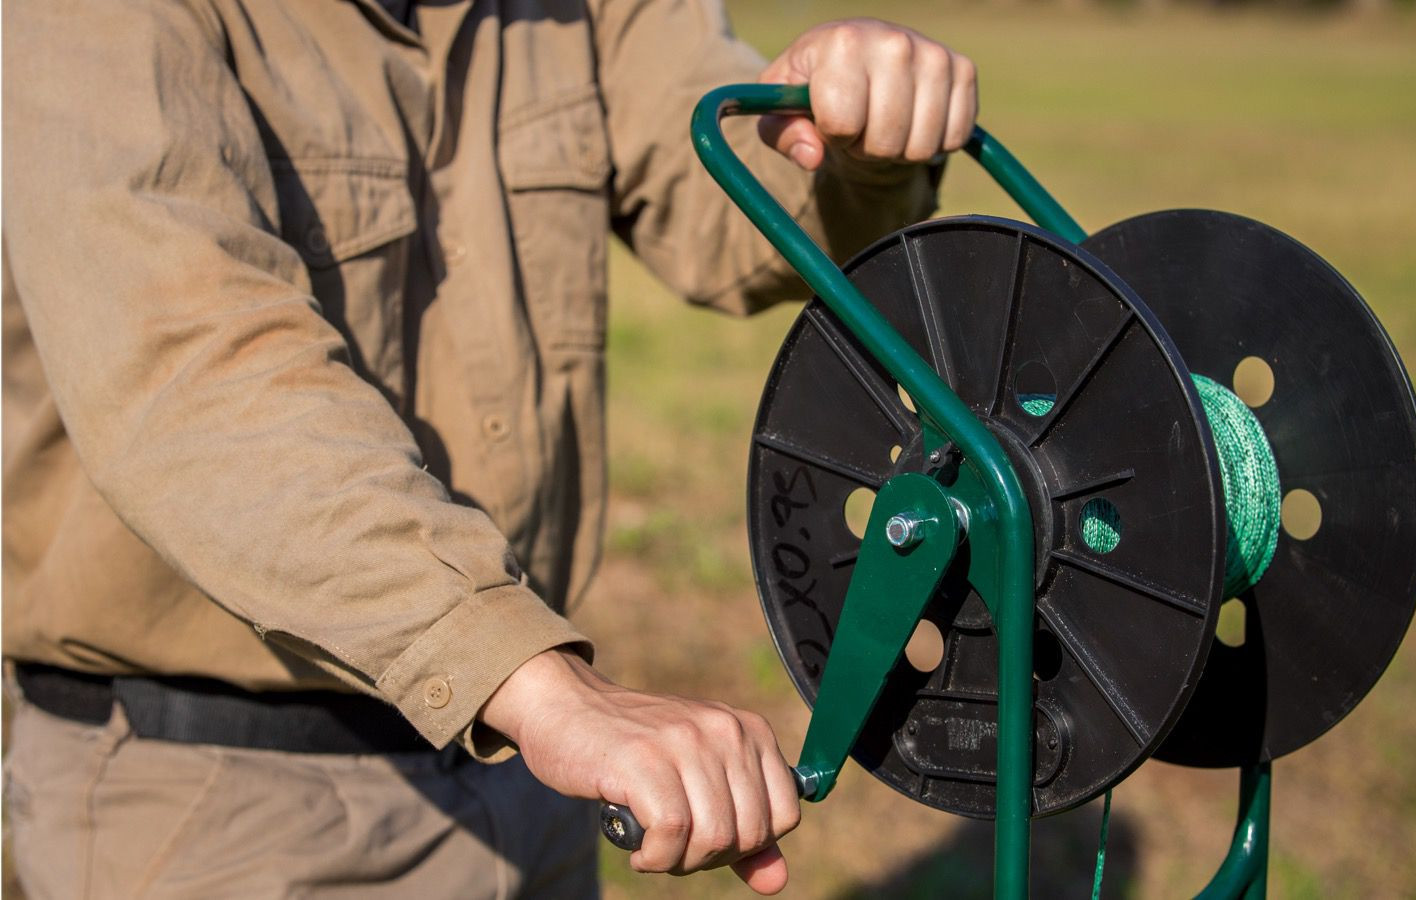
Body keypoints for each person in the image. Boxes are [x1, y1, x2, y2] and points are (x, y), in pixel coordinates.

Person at [2, 1, 977, 896]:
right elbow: (193, 369)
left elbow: (724, 210)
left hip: (524, 775)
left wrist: (854, 136)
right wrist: (536, 682)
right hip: (218, 801)